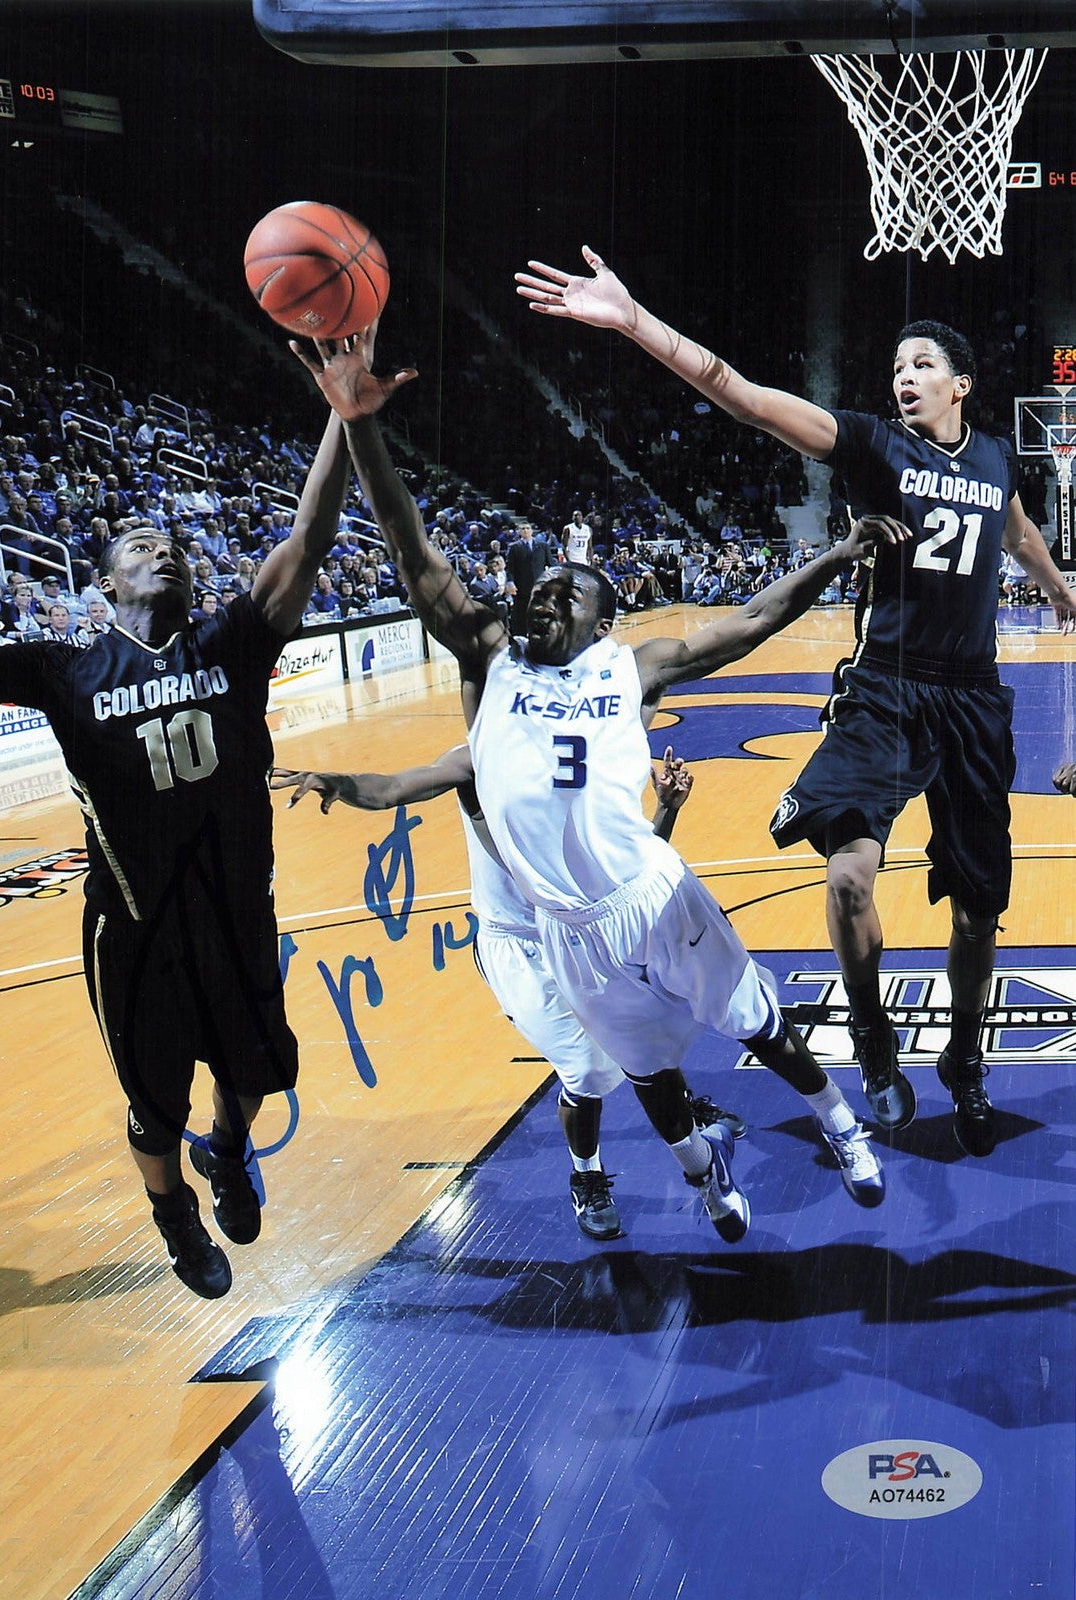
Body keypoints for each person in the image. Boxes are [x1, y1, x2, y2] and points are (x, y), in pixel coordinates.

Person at [302, 331, 897, 1240]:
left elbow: (749, 622)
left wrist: (833, 557)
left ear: (602, 616)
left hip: (649, 894)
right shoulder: (493, 661)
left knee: (755, 1026)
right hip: (564, 931)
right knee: (651, 1079)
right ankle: (706, 1181)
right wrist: (359, 426)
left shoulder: (631, 667)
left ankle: (842, 1127)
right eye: (542, 589)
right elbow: (413, 556)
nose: (546, 596)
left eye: (569, 592)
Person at [516, 248, 1076, 1157]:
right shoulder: (868, 441)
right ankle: (872, 1043)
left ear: (961, 385)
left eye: (921, 365)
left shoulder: (997, 461)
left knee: (977, 913)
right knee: (849, 877)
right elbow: (736, 389)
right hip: (884, 691)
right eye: (895, 368)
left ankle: (963, 1062)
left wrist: (1056, 583)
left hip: (972, 700)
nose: (903, 378)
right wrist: (631, 320)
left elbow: (1015, 530)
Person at [0, 384, 353, 1301]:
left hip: (236, 913)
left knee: (254, 1076)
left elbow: (310, 538)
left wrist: (344, 414)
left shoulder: (234, 639)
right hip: (133, 932)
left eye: (172, 545)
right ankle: (172, 1208)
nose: (163, 551)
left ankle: (226, 1151)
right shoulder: (60, 670)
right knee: (152, 1101)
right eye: (140, 547)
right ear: (103, 585)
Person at [273, 745, 745, 1241]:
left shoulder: (585, 753)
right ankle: (587, 1173)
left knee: (653, 1025)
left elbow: (626, 866)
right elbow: (391, 788)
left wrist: (666, 807)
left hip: (588, 928)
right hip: (519, 944)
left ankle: (683, 1113)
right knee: (585, 1068)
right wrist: (338, 782)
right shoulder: (480, 757)